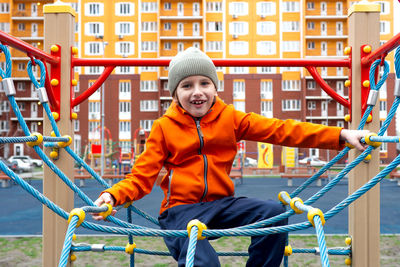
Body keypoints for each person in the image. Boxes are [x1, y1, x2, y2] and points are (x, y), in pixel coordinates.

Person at [93, 47, 369, 266]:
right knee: (201, 259)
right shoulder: (164, 127)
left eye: (204, 83)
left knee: (273, 214)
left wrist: (339, 135)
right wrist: (113, 196)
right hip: (180, 210)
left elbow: (280, 130)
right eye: (186, 85)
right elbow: (142, 175)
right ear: (175, 94)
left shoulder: (231, 119)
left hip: (222, 204)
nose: (197, 91)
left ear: (216, 88)